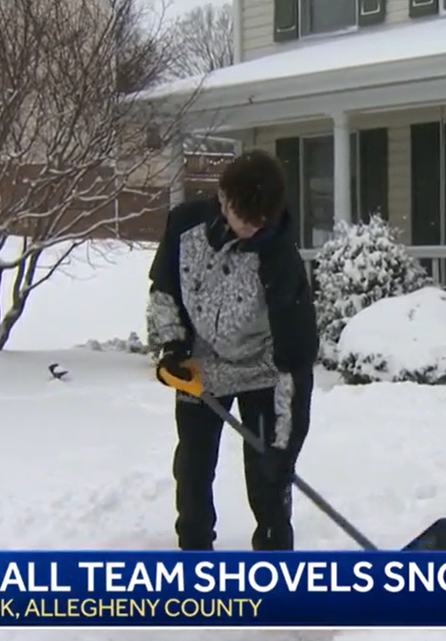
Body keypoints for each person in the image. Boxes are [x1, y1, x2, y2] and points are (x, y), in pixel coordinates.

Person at [145, 149, 318, 551]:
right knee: (192, 470)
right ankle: (194, 552)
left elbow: (295, 363)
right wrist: (172, 348)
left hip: (262, 371)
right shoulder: (185, 225)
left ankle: (274, 564)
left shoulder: (281, 264)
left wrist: (284, 449)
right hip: (201, 370)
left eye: (261, 221)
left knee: (267, 481)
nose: (253, 228)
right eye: (245, 217)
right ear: (222, 198)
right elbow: (164, 290)